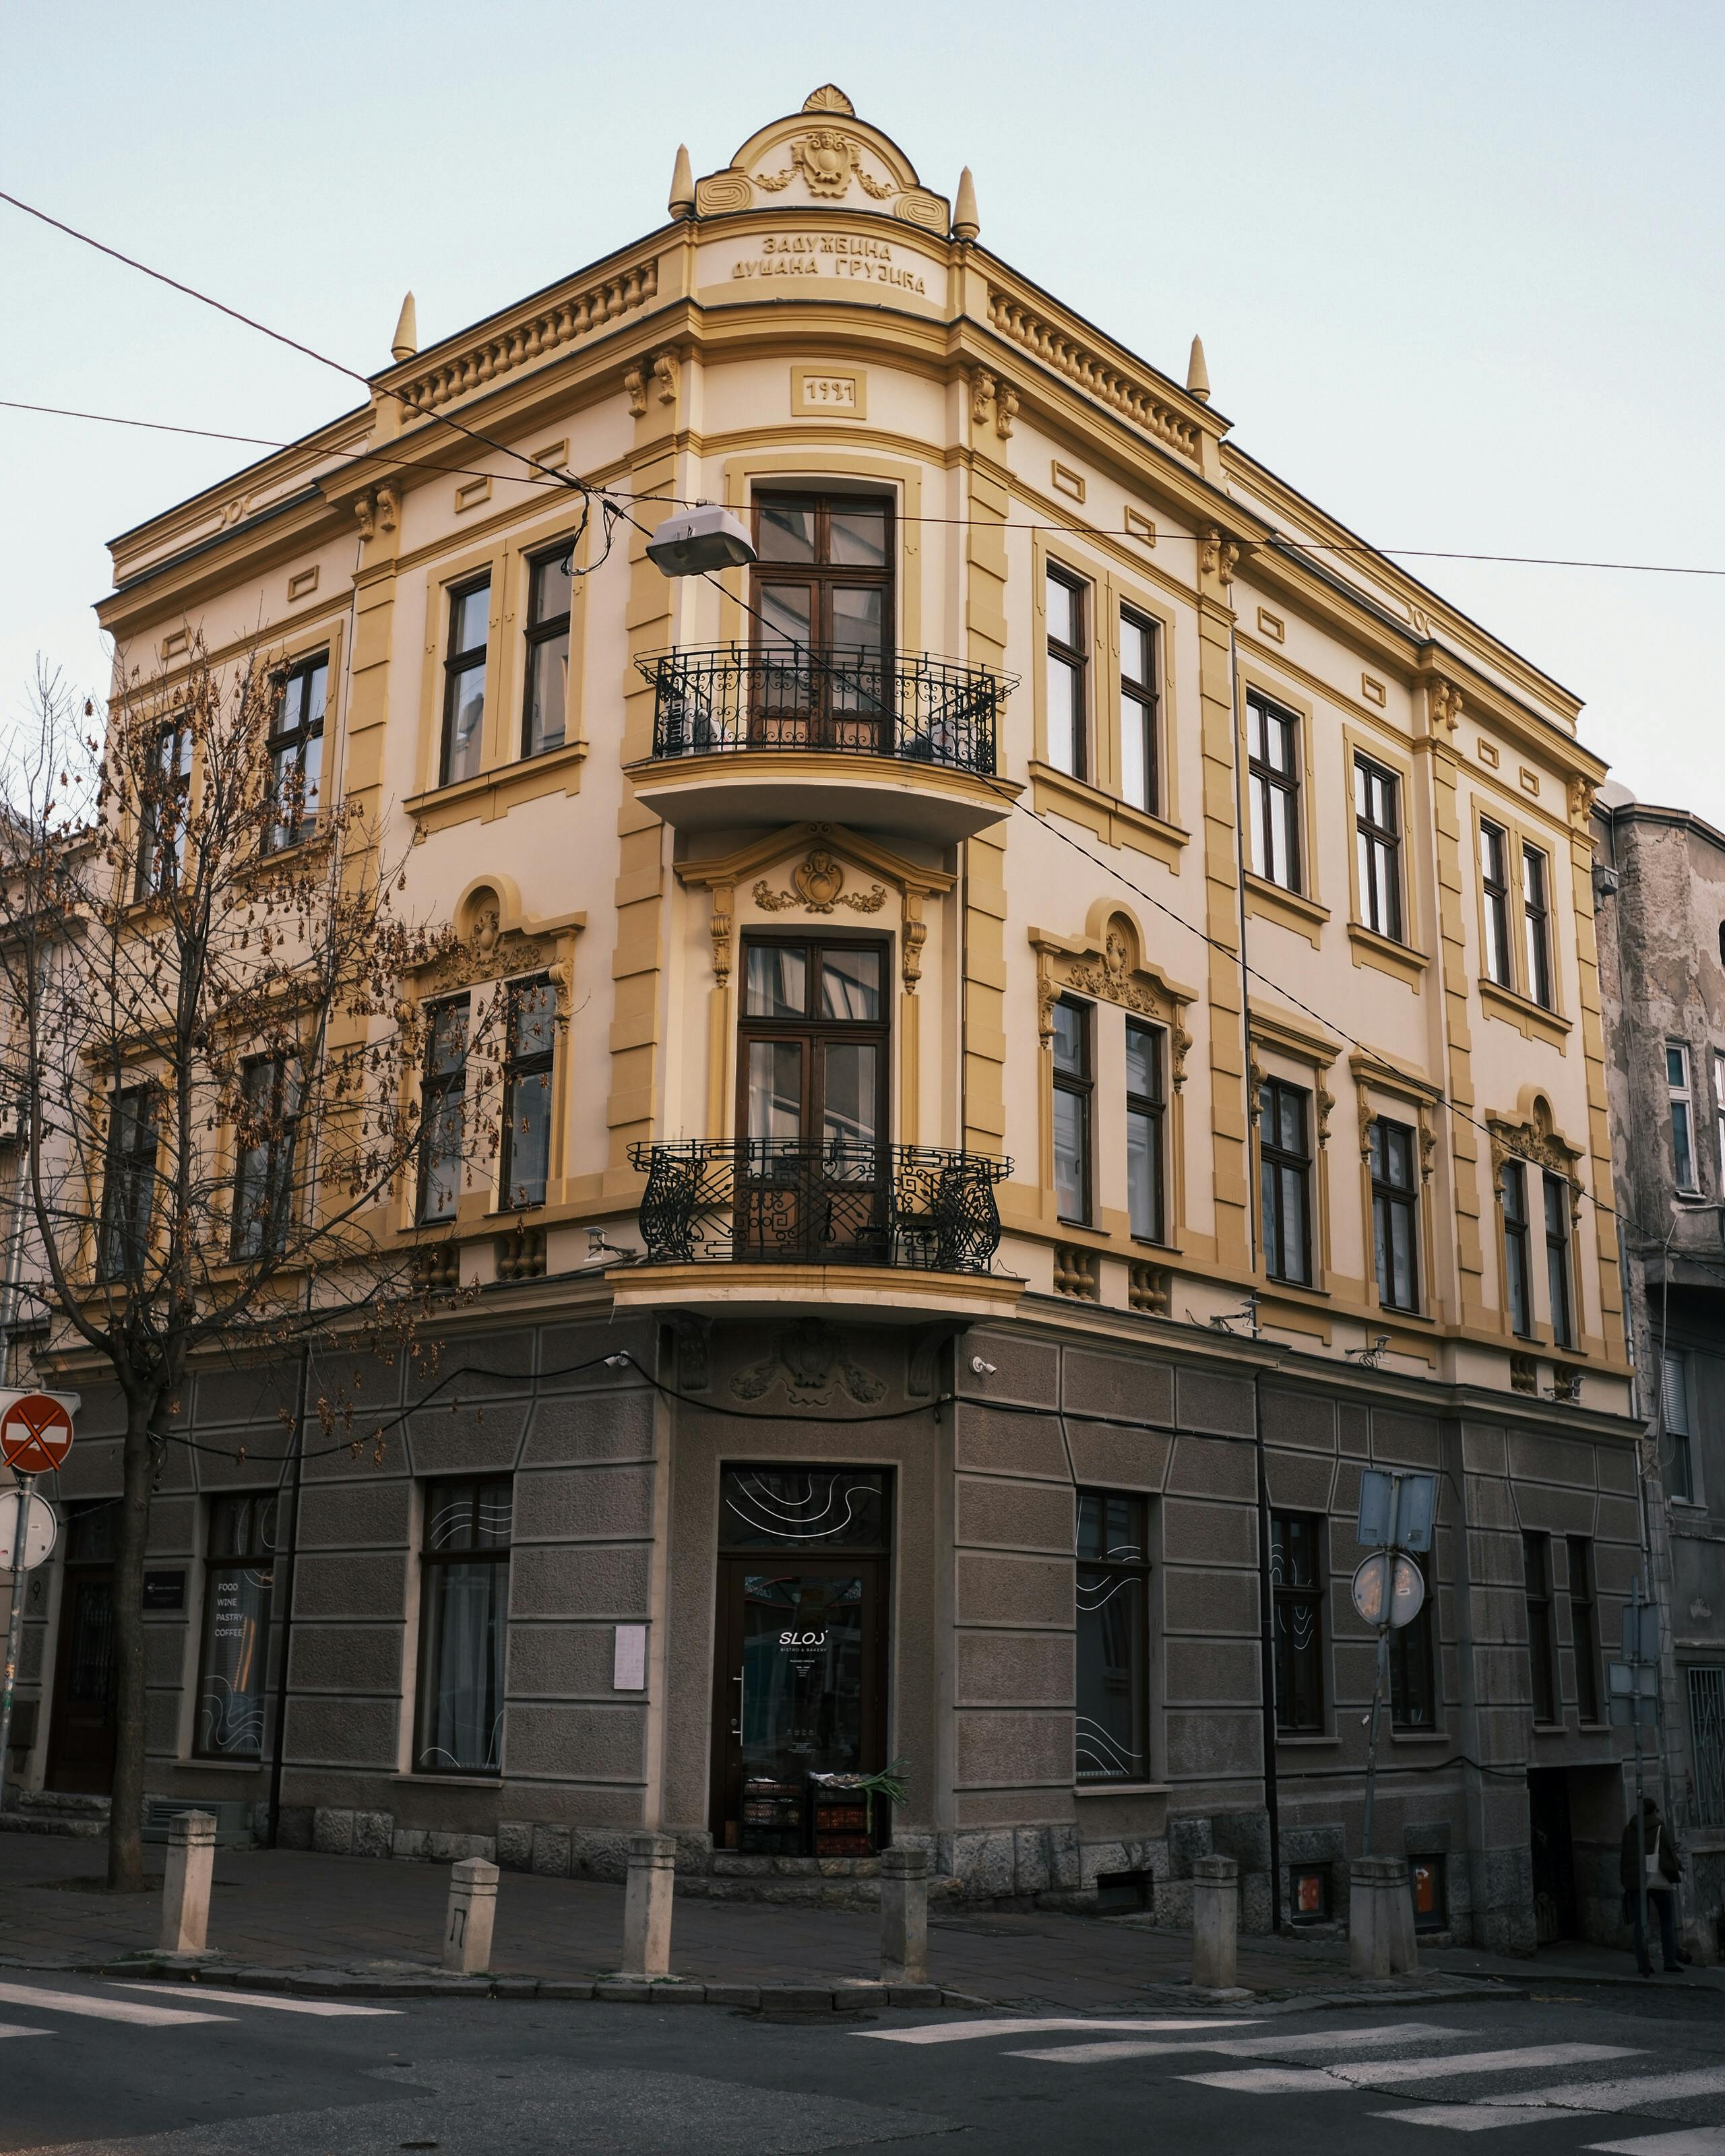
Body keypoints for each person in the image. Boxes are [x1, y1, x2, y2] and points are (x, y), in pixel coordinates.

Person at [1620, 1795, 1683, 1976]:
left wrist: (1625, 1880)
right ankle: (1670, 1961)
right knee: (1667, 1919)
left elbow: (1624, 1856)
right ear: (1654, 1811)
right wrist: (1676, 1871)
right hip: (1656, 1878)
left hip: (1635, 1881)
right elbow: (1668, 1854)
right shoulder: (1659, 1828)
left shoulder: (1628, 1829)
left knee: (1640, 1922)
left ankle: (1643, 1963)